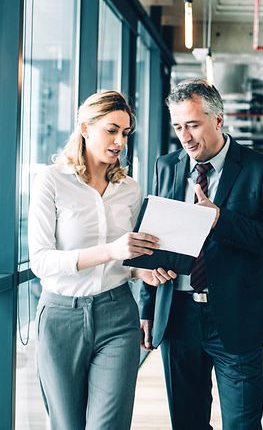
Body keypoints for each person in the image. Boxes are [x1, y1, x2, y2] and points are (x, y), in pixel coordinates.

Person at [139, 79, 263, 430]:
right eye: (178, 126)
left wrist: (220, 220)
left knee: (242, 423)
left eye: (193, 124)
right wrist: (147, 306)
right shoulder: (167, 166)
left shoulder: (259, 168)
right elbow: (153, 240)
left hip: (236, 319)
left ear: (218, 120)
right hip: (177, 317)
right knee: (187, 422)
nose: (186, 136)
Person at [28, 91, 172, 430]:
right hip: (60, 318)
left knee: (108, 425)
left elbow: (130, 256)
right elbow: (41, 261)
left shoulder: (130, 189)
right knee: (67, 424)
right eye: (111, 130)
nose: (120, 141)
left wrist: (142, 271)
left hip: (117, 315)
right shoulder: (51, 181)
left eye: (125, 133)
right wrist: (112, 251)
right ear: (85, 128)